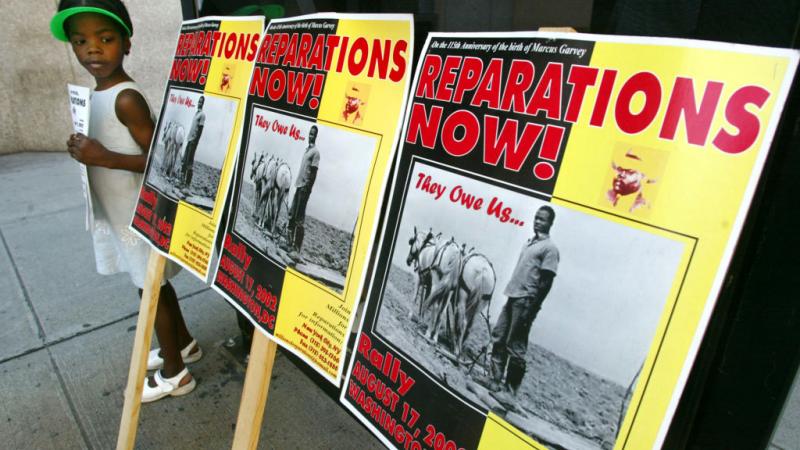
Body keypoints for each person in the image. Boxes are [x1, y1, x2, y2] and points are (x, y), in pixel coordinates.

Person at [51, 0, 202, 403]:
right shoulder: (96, 94)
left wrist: (103, 157)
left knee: (149, 288)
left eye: (106, 38)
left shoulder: (126, 98)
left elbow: (159, 160)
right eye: (81, 41)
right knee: (152, 285)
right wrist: (84, 149)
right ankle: (183, 344)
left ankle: (176, 373)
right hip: (120, 211)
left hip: (139, 213)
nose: (93, 50)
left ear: (127, 44)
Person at [477, 205, 559, 406]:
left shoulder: (550, 249)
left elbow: (546, 282)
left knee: (516, 346)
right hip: (513, 296)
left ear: (550, 223)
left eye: (542, 219)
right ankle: (494, 381)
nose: (537, 222)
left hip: (526, 301)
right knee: (499, 336)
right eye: (536, 218)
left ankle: (510, 393)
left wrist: (531, 311)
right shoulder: (530, 244)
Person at [287, 125, 320, 259]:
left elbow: (313, 174)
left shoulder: (316, 153)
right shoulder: (307, 150)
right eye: (309, 134)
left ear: (315, 136)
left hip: (304, 189)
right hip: (298, 186)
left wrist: (307, 189)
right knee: (292, 215)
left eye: (312, 134)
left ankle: (296, 250)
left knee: (299, 219)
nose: (310, 136)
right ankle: (289, 244)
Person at [180, 95, 205, 192]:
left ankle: (187, 185)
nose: (199, 103)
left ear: (203, 104)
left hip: (193, 142)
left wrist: (195, 142)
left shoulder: (202, 115)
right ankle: (181, 182)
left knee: (189, 163)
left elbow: (200, 131)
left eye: (201, 102)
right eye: (199, 101)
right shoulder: (196, 113)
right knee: (185, 161)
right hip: (189, 140)